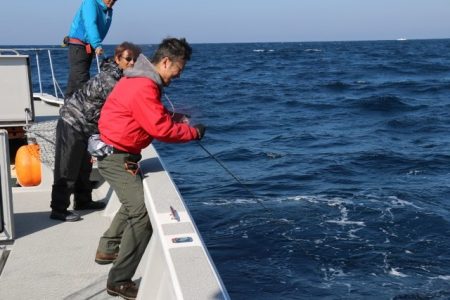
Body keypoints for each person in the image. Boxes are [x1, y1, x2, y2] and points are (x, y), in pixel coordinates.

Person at [94, 37, 205, 300]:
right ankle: (118, 281)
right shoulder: (144, 85)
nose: (180, 75)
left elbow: (150, 115)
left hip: (121, 154)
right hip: (116, 157)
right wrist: (192, 133)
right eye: (180, 68)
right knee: (141, 215)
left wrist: (174, 118)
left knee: (133, 203)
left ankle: (107, 248)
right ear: (166, 62)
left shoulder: (140, 80)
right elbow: (160, 129)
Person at [50, 42, 142, 222]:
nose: (132, 63)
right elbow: (128, 105)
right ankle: (58, 209)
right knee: (67, 168)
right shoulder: (111, 80)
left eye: (135, 60)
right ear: (117, 59)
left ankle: (83, 200)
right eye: (128, 59)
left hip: (89, 126)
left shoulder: (122, 77)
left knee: (84, 166)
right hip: (72, 122)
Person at [65, 0, 117, 98]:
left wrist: (94, 46)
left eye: (114, 0)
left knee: (74, 80)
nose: (111, 1)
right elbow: (90, 24)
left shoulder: (106, 10)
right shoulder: (90, 2)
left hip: (88, 47)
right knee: (82, 80)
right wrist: (97, 45)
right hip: (79, 47)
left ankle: (68, 108)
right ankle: (84, 108)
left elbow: (102, 30)